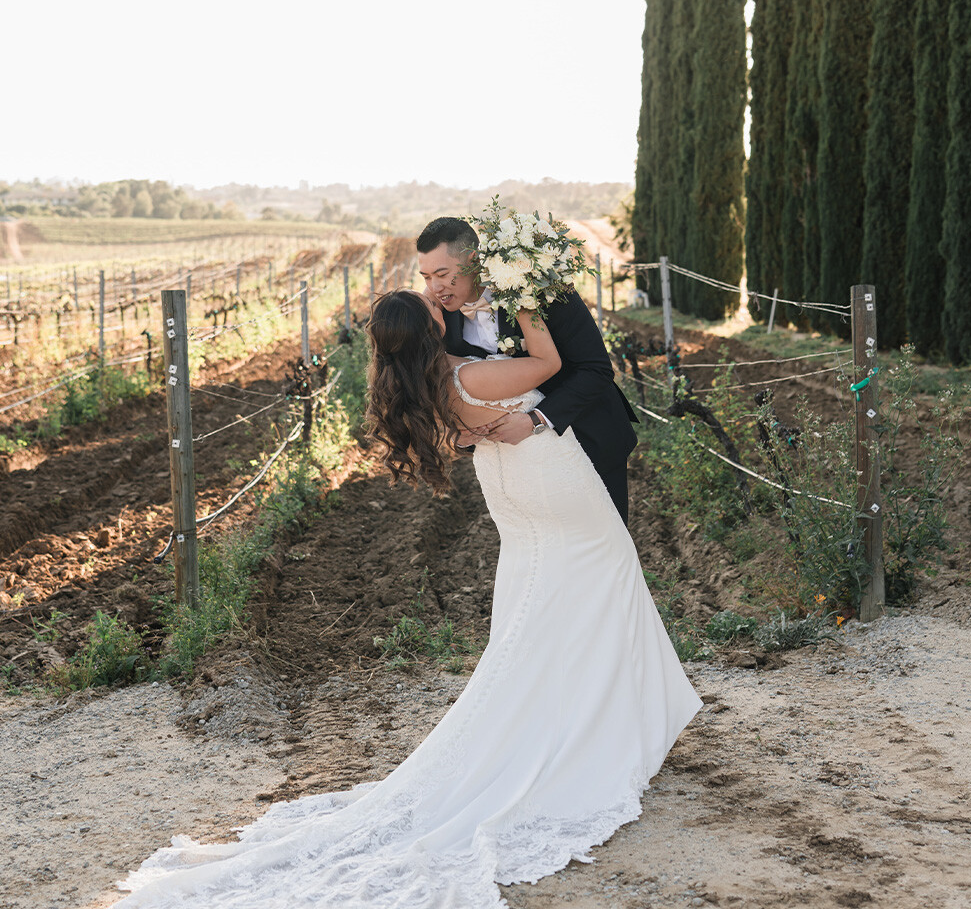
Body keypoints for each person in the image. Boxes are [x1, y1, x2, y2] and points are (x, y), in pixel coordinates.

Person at [114, 290, 702, 909]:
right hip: (553, 481)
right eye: (428, 301)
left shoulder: (430, 382)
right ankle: (596, 728)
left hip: (513, 489)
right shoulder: (471, 373)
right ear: (429, 327)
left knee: (548, 598)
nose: (436, 297)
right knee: (603, 575)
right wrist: (526, 299)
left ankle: (586, 716)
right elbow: (550, 364)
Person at [416, 216, 639, 526]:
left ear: (473, 261)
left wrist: (536, 419)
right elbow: (451, 387)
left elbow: (596, 369)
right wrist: (460, 430)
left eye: (442, 274)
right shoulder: (440, 319)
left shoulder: (543, 290)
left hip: (588, 438)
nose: (434, 287)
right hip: (522, 467)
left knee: (603, 549)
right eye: (426, 277)